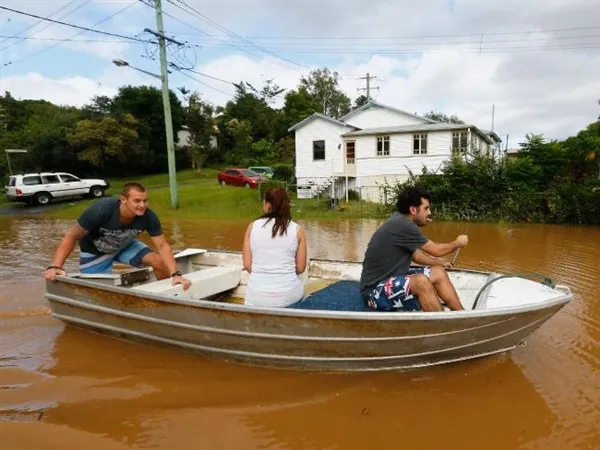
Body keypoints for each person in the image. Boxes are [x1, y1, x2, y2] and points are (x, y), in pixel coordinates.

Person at [43, 182, 191, 290]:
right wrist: (56, 266)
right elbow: (72, 236)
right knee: (97, 290)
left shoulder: (148, 216)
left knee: (159, 262)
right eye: (137, 201)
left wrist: (175, 274)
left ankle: (165, 294)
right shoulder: (101, 210)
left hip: (125, 245)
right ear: (123, 199)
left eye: (145, 200)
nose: (142, 205)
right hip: (96, 251)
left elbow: (162, 245)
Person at [359, 187, 468, 312]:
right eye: (426, 208)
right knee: (421, 282)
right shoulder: (403, 225)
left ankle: (461, 314)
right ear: (413, 209)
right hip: (374, 292)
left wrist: (439, 263)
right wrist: (457, 243)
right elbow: (436, 250)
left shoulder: (400, 221)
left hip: (392, 278)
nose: (429, 212)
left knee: (438, 271)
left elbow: (415, 255)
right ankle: (441, 324)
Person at [242, 187, 307, 307]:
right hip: (288, 296)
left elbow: (247, 265)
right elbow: (300, 268)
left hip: (256, 297)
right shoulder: (298, 230)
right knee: (301, 282)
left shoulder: (252, 227)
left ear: (267, 205)